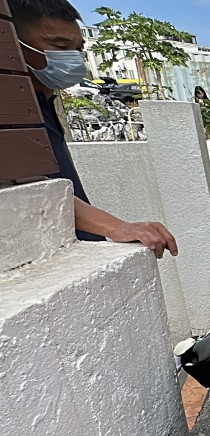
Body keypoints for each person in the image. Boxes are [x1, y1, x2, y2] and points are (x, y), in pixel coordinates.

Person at [10, 0, 177, 257]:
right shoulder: (13, 112)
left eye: (78, 49)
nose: (72, 58)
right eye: (59, 46)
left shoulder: (44, 101)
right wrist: (115, 226)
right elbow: (29, 193)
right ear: (15, 43)